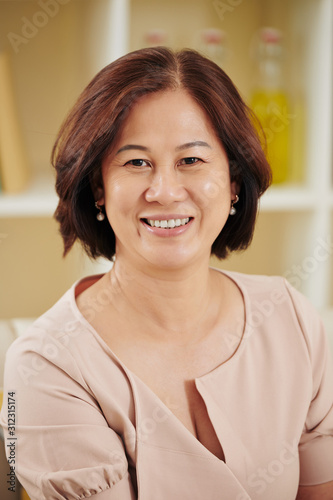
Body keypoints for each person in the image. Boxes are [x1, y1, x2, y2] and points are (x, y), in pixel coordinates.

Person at [1, 47, 332, 500]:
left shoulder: (291, 317)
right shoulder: (44, 367)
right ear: (99, 187)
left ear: (234, 182)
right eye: (136, 162)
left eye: (191, 160)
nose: (164, 191)